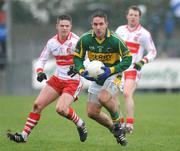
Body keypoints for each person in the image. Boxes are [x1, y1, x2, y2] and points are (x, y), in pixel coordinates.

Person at [7, 14, 87, 143]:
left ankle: (80, 123)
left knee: (60, 109)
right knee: (37, 105)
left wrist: (78, 67)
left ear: (70, 27)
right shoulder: (52, 42)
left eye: (67, 26)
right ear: (57, 26)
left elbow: (87, 59)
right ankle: (24, 136)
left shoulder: (77, 42)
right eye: (62, 25)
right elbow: (42, 59)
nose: (64, 28)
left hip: (73, 80)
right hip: (57, 79)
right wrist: (39, 72)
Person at [73, 10, 132, 146]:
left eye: (101, 24)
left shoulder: (115, 40)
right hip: (97, 78)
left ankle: (118, 123)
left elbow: (128, 59)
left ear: (106, 24)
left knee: (103, 97)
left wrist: (111, 70)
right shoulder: (86, 39)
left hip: (113, 75)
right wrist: (82, 71)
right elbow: (77, 57)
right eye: (95, 24)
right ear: (92, 25)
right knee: (92, 112)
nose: (98, 27)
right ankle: (115, 131)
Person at [115, 5, 157, 133]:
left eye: (136, 15)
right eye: (131, 14)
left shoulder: (144, 34)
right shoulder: (120, 30)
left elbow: (153, 51)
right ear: (127, 16)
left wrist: (143, 61)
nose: (133, 17)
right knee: (112, 96)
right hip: (118, 69)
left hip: (133, 69)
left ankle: (130, 124)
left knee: (127, 93)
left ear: (139, 18)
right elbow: (113, 47)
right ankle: (120, 123)